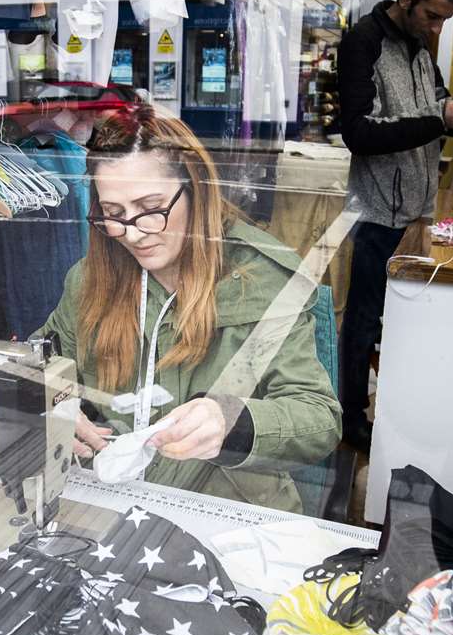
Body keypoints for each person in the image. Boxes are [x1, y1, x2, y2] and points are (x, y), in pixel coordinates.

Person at [37, 105, 340, 514]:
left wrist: (232, 420)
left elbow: (319, 418)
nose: (133, 232)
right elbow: (41, 362)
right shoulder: (89, 279)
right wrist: (56, 405)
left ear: (194, 189)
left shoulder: (264, 278)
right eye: (113, 214)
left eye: (151, 207)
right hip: (110, 504)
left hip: (225, 510)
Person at [335, 0, 453, 472]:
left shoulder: (421, 48)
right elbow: (358, 133)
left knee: (399, 319)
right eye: (431, 15)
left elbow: (434, 104)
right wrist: (436, 120)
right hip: (376, 209)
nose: (436, 28)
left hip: (417, 209)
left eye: (445, 19)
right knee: (362, 320)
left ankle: (399, 412)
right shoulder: (363, 42)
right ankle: (351, 417)